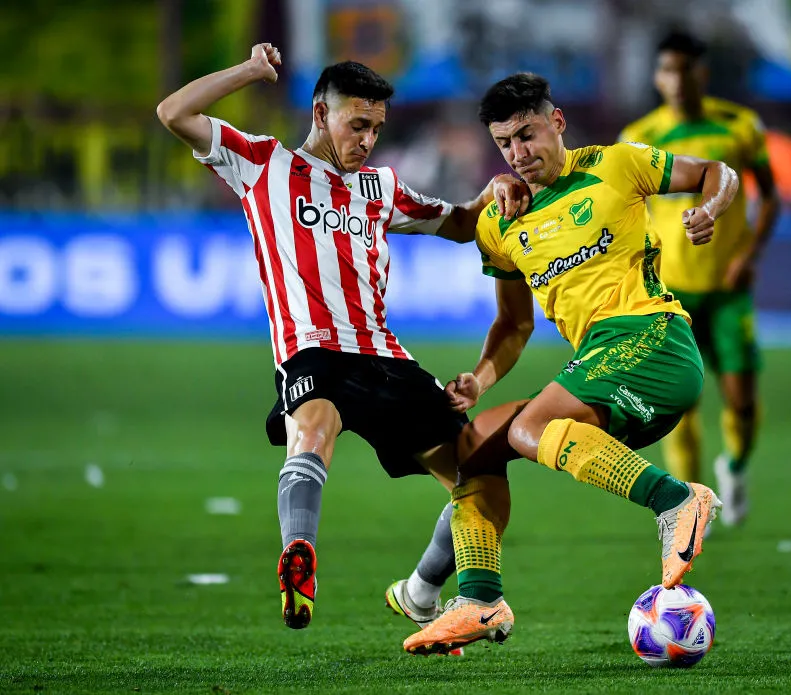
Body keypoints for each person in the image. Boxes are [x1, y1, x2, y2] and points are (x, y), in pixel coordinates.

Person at [156, 43, 529, 631]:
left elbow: (460, 222)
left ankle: (421, 592)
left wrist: (496, 191)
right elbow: (174, 112)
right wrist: (251, 72)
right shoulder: (264, 165)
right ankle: (298, 554)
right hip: (312, 350)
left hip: (384, 357)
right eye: (357, 125)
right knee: (314, 424)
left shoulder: (381, 187)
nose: (368, 140)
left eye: (376, 128)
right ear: (318, 114)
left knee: (479, 478)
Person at [401, 72, 739, 655]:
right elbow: (513, 325)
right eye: (504, 143)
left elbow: (716, 172)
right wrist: (478, 380)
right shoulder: (503, 223)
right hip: (605, 367)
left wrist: (710, 208)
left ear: (557, 122)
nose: (519, 152)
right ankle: (481, 600)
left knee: (531, 427)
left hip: (655, 341)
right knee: (477, 444)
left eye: (527, 134)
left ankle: (677, 500)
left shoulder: (617, 164)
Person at [619, 31, 780, 526]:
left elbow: (770, 196)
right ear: (657, 77)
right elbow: (626, 217)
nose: (678, 79)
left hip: (728, 288)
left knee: (742, 400)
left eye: (686, 69)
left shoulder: (739, 126)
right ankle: (693, 504)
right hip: (670, 293)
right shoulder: (637, 138)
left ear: (702, 74)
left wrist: (749, 254)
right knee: (679, 405)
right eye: (668, 70)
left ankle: (733, 466)